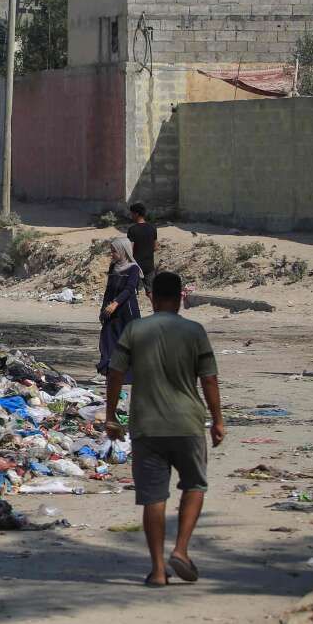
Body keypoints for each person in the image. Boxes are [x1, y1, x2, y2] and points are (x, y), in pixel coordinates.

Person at [104, 271, 224, 587]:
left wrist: (111, 416)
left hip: (147, 426)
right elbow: (209, 378)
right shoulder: (194, 331)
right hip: (187, 424)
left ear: (152, 298)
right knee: (195, 485)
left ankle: (158, 571)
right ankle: (181, 550)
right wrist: (218, 420)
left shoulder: (135, 329)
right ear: (181, 297)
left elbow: (114, 373)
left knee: (153, 497)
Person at [97, 236, 143, 383]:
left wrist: (115, 304)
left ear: (123, 251)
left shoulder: (133, 268)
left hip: (127, 311)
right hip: (111, 310)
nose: (112, 254)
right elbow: (109, 289)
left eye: (114, 251)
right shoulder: (113, 267)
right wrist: (104, 308)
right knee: (107, 339)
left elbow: (130, 289)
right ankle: (108, 371)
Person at [127, 202, 159, 298]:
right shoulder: (152, 228)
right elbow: (155, 247)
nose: (131, 216)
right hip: (149, 265)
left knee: (130, 291)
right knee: (151, 292)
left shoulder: (132, 230)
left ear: (136, 214)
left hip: (135, 265)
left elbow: (130, 249)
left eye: (132, 213)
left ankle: (132, 312)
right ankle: (158, 312)